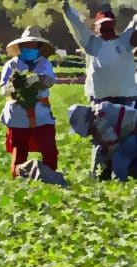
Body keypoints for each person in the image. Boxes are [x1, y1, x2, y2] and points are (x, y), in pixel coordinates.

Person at [60, 3, 137, 179]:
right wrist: (67, 10)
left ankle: (125, 171)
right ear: (96, 27)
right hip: (100, 99)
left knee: (127, 134)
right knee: (101, 137)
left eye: (109, 24)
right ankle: (101, 172)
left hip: (125, 96)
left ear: (114, 24)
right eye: (102, 24)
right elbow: (78, 26)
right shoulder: (91, 43)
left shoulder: (124, 41)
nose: (106, 27)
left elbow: (134, 24)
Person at [0, 28, 58, 177]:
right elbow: (3, 88)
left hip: (41, 112)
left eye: (33, 46)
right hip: (18, 113)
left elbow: (50, 80)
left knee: (49, 147)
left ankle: (49, 175)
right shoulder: (11, 65)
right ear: (20, 48)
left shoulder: (44, 64)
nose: (30, 49)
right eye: (26, 46)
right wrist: (14, 87)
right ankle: (19, 176)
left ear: (38, 48)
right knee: (19, 148)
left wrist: (38, 79)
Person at [68, 101, 137, 181]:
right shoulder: (99, 111)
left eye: (89, 131)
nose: (90, 134)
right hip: (131, 133)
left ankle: (124, 182)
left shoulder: (101, 121)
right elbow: (100, 148)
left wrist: (100, 167)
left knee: (119, 158)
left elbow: (113, 147)